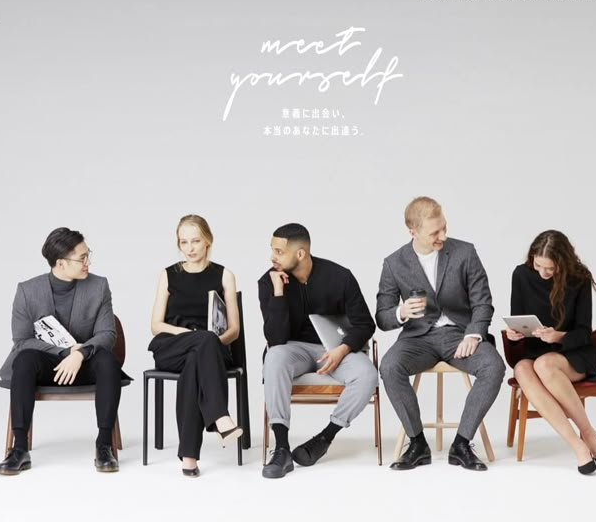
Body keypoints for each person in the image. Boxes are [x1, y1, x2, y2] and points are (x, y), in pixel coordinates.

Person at [377, 197, 505, 471]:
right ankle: (417, 443)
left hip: (459, 335)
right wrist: (401, 312)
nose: (443, 236)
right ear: (413, 230)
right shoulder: (393, 263)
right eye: (435, 232)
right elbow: (382, 317)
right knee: (389, 366)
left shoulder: (465, 252)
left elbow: (483, 302)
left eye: (444, 228)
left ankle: (461, 444)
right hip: (417, 338)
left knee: (494, 366)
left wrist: (473, 334)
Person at [0, 227, 122, 475]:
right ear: (60, 263)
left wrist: (80, 354)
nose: (88, 261)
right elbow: (22, 340)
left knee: (108, 360)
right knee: (23, 359)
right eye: (82, 257)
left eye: (88, 255)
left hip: (85, 364)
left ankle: (104, 444)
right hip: (47, 366)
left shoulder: (99, 286)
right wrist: (65, 353)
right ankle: (19, 449)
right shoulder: (27, 291)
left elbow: (107, 334)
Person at [259, 223, 378, 479]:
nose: (272, 257)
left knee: (367, 374)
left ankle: (325, 437)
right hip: (294, 350)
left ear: (300, 254)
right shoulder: (269, 281)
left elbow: (365, 324)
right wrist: (278, 293)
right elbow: (275, 339)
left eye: (279, 251)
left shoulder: (340, 277)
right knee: (274, 357)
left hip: (336, 351)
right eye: (272, 250)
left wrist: (342, 350)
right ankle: (281, 448)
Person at [505, 230, 596, 474]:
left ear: (562, 264)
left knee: (544, 365)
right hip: (535, 352)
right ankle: (579, 446)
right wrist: (515, 334)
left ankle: (589, 435)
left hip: (573, 353)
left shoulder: (580, 279)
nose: (543, 273)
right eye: (538, 265)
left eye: (549, 269)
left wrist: (558, 336)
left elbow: (585, 332)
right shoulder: (521, 275)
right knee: (522, 368)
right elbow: (518, 318)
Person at [148, 214, 243, 477]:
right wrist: (190, 335)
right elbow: (156, 325)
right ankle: (220, 417)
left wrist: (209, 343)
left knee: (196, 360)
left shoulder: (225, 275)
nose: (190, 248)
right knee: (200, 344)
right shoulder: (168, 275)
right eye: (184, 242)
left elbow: (234, 330)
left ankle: (189, 456)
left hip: (210, 349)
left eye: (196, 241)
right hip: (172, 346)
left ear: (208, 241)